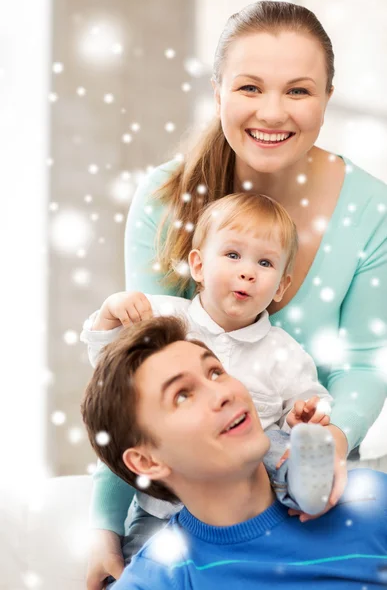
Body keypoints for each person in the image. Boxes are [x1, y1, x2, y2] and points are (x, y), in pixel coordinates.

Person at [86, 0, 387, 589]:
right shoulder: (165, 197)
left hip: (307, 486)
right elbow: (134, 375)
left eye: (298, 91)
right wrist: (104, 523)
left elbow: (360, 365)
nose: (272, 113)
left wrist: (331, 437)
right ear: (218, 88)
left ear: (328, 95)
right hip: (188, 505)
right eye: (249, 87)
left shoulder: (371, 210)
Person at [82, 191, 338, 562]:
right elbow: (110, 371)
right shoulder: (162, 316)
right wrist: (111, 312)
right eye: (233, 255)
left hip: (246, 492)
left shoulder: (285, 353)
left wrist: (306, 416)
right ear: (198, 266)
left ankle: (307, 491)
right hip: (165, 504)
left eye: (265, 263)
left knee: (279, 444)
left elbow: (312, 398)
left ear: (281, 286)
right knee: (145, 559)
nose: (247, 271)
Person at [81, 316, 387, 589]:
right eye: (183, 395)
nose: (224, 393)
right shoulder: (157, 579)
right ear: (147, 461)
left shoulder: (369, 499)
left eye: (215, 373)